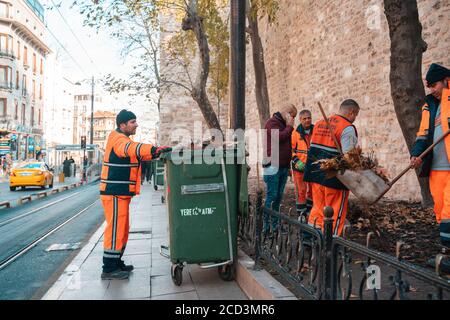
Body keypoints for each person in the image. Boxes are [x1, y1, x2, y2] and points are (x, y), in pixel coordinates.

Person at [100, 109, 171, 280]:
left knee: (122, 229)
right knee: (116, 229)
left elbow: (138, 153)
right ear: (122, 125)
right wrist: (154, 148)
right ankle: (108, 268)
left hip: (121, 192)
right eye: (132, 122)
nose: (136, 124)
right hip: (114, 192)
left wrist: (155, 152)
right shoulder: (118, 139)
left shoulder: (123, 139)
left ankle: (116, 262)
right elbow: (131, 149)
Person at [410, 63, 450, 272]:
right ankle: (445, 253)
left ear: (446, 80)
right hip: (436, 168)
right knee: (440, 210)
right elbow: (423, 134)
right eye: (429, 86)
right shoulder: (429, 105)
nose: (432, 90)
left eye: (434, 85)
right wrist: (416, 154)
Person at [304, 99, 360, 236]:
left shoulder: (319, 123)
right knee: (334, 212)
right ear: (351, 112)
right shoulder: (347, 128)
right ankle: (330, 245)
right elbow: (349, 157)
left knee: (318, 209)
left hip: (316, 174)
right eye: (356, 115)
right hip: (334, 178)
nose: (355, 119)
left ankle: (313, 239)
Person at [262, 104, 297, 233]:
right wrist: (289, 126)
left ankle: (275, 225)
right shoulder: (272, 123)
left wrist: (288, 167)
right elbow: (280, 138)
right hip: (272, 166)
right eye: (292, 116)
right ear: (287, 114)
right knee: (272, 196)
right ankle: (266, 226)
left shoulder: (283, 124)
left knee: (278, 197)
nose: (293, 119)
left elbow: (286, 147)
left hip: (282, 166)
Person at [291, 109, 314, 220]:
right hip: (299, 167)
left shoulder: (316, 131)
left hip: (313, 167)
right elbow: (290, 150)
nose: (307, 120)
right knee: (301, 191)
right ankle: (301, 214)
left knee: (312, 191)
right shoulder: (295, 133)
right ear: (300, 120)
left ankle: (310, 212)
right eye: (304, 118)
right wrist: (296, 161)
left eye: (309, 118)